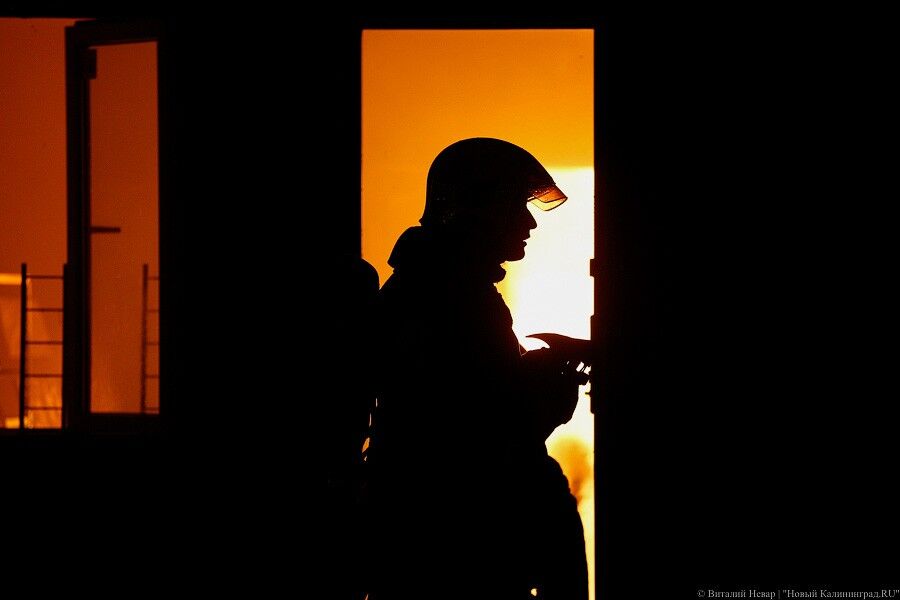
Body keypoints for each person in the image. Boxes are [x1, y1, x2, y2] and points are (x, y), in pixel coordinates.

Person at [366, 138, 588, 599]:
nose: (529, 222)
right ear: (477, 208)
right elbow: (475, 425)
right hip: (461, 544)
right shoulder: (448, 296)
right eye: (515, 205)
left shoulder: (441, 286)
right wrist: (551, 381)